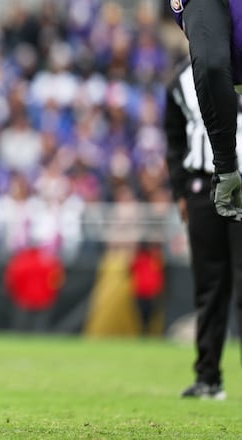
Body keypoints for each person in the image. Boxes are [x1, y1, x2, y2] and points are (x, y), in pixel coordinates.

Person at [164, 58, 242, 400]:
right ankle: (208, 376)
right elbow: (173, 139)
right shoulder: (179, 80)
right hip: (200, 186)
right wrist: (180, 190)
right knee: (210, 284)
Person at [171, 0, 242, 220]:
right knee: (210, 65)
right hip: (203, 179)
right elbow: (173, 136)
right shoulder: (177, 80)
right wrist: (225, 164)